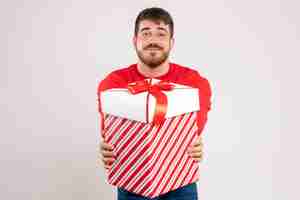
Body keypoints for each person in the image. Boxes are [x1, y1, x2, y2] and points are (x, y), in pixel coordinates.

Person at [97, 7, 212, 200]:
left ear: (171, 42)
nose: (153, 40)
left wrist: (195, 143)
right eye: (146, 33)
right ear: (135, 41)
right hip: (132, 179)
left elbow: (194, 132)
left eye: (161, 34)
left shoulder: (194, 82)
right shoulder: (113, 83)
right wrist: (107, 147)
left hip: (180, 180)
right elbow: (109, 132)